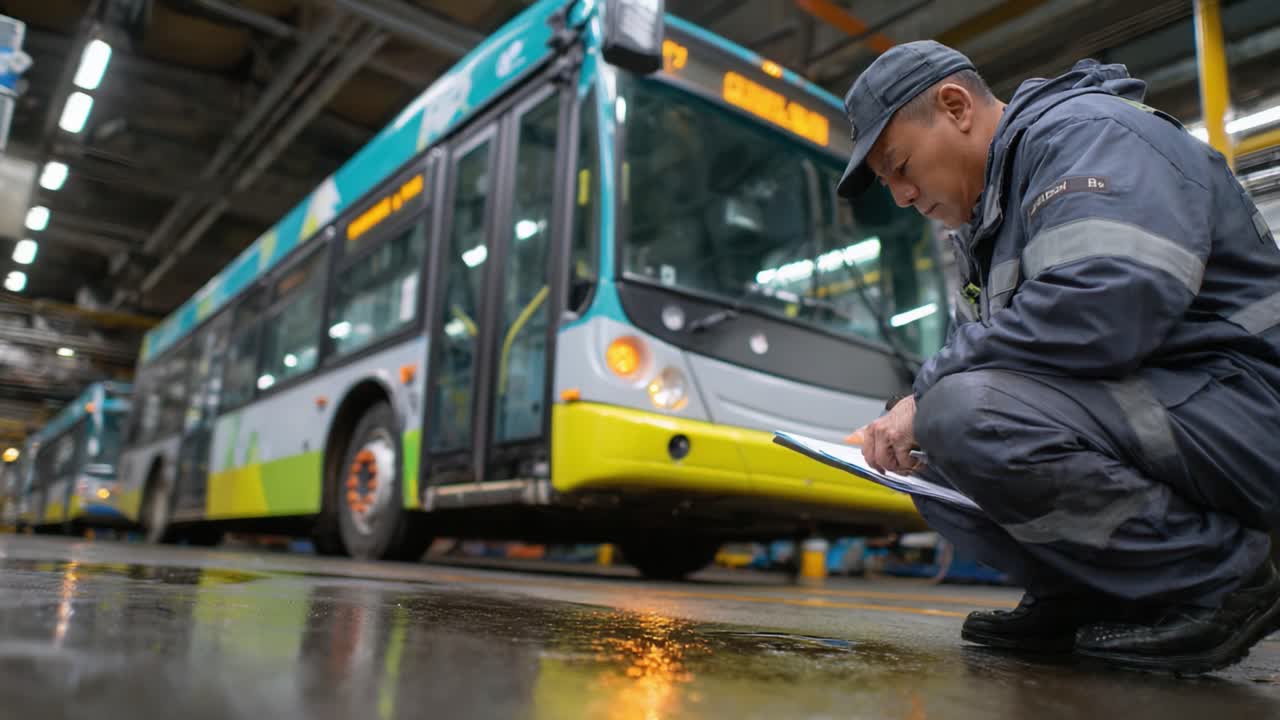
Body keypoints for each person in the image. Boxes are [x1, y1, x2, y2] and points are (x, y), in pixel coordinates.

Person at [839, 40, 1280, 674]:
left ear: (956, 106)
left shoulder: (1088, 137)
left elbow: (1107, 308)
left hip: (1245, 412)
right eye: (890, 185)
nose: (903, 195)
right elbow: (994, 359)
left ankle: (1219, 578)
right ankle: (1087, 591)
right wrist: (909, 409)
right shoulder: (987, 225)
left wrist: (929, 391)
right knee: (921, 448)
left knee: (959, 412)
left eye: (901, 166)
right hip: (1181, 414)